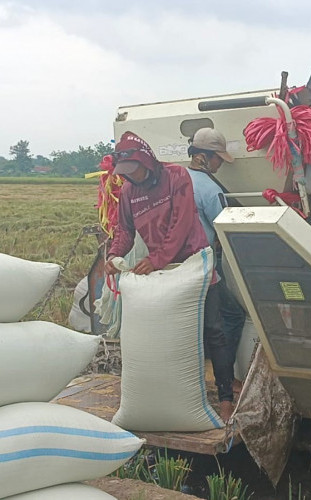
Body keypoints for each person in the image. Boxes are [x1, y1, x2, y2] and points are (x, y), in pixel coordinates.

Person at [104, 131, 235, 422]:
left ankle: (226, 399)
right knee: (168, 336)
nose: (131, 177)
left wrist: (156, 259)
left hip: (193, 267)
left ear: (146, 161)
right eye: (125, 173)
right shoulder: (128, 192)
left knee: (214, 331)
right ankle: (172, 396)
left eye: (133, 170)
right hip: (162, 275)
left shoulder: (176, 177)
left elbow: (182, 221)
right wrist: (114, 255)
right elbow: (125, 230)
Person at [186, 128, 247, 393]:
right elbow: (223, 230)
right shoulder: (211, 190)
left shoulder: (177, 180)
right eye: (218, 159)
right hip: (204, 264)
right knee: (232, 315)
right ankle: (225, 375)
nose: (220, 164)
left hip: (176, 264)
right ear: (203, 157)